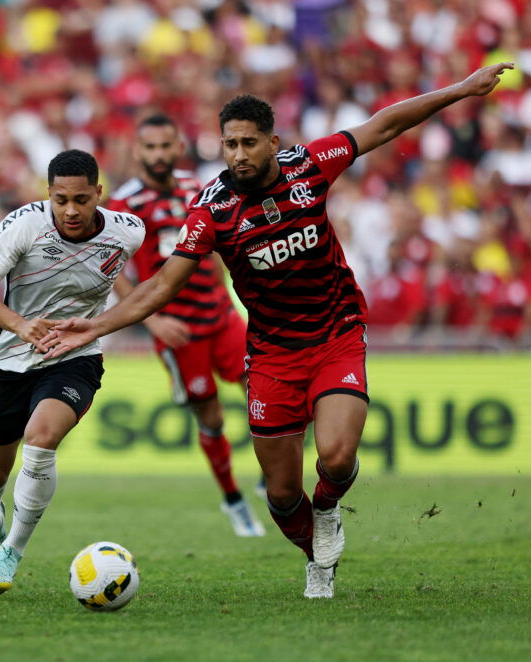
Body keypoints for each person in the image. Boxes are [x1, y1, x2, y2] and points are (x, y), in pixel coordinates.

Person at [39, 63, 513, 598]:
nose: (238, 154)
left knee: (334, 456)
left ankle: (329, 509)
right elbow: (160, 285)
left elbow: (384, 125)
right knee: (284, 494)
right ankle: (315, 554)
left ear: (273, 142)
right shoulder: (211, 212)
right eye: (229, 144)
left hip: (336, 336)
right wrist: (94, 327)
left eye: (248, 142)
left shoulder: (310, 166)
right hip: (270, 355)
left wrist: (461, 89)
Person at [0, 149, 145, 592]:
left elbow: (145, 280)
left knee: (41, 439)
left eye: (82, 199)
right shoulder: (25, 224)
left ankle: (11, 553)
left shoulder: (129, 232)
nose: (71, 210)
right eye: (61, 199)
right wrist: (20, 325)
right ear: (48, 194)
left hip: (74, 357)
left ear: (99, 193)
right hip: (10, 359)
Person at [109, 114, 265, 537]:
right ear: (138, 151)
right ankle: (234, 499)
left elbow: (217, 246)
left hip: (221, 315)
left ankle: (272, 474)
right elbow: (113, 269)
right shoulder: (124, 204)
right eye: (150, 148)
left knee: (266, 389)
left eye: (165, 146)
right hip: (178, 330)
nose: (158, 155)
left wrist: (234, 291)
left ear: (178, 146)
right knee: (211, 416)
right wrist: (152, 319)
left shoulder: (197, 188)